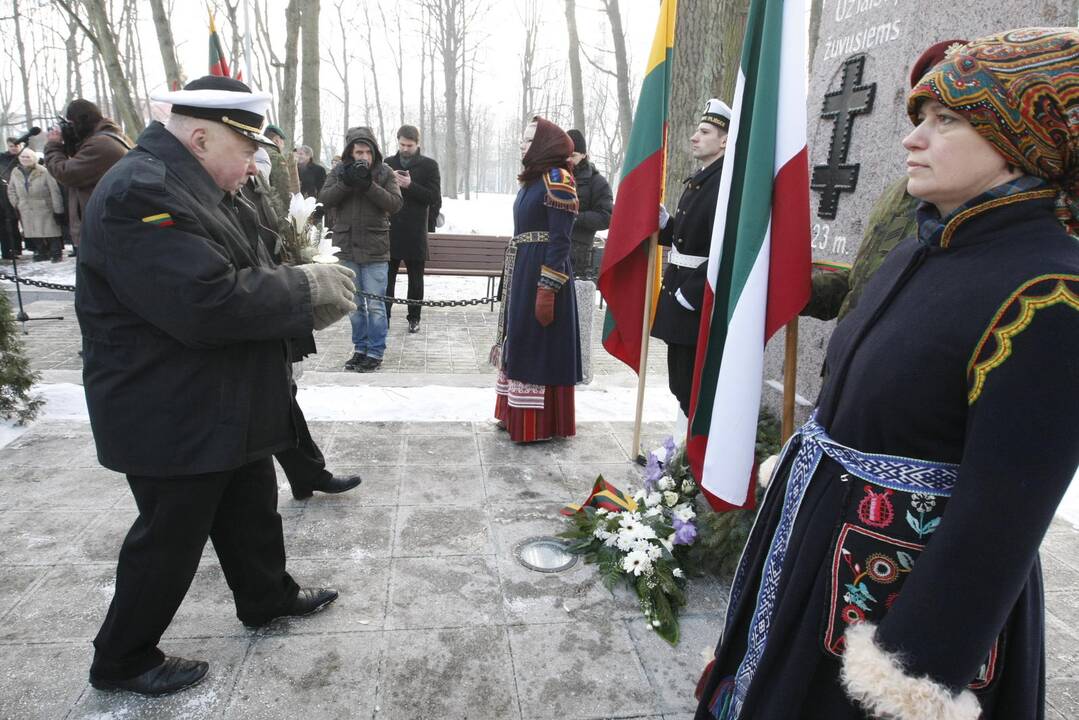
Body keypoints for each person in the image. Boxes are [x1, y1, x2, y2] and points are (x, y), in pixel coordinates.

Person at [694, 29, 1079, 720]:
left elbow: (1001, 519)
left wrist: (910, 671)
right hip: (818, 554)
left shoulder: (1050, 290)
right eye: (916, 119)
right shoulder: (921, 248)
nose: (912, 138)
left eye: (945, 120)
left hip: (896, 598)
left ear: (1022, 140)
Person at [78, 76, 359, 697]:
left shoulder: (190, 182)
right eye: (247, 149)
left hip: (216, 395)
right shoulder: (139, 191)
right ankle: (121, 657)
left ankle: (265, 597)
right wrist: (304, 290)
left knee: (250, 500)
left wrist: (286, 277)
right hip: (167, 406)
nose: (255, 164)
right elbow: (202, 302)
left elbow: (237, 266)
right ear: (200, 138)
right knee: (170, 536)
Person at [802, 39, 966, 324]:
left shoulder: (981, 212)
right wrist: (795, 292)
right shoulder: (899, 192)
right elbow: (862, 283)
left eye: (946, 118)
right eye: (922, 116)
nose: (912, 139)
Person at [240, 164, 364, 500]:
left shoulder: (253, 188)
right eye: (247, 151)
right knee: (280, 398)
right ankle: (308, 473)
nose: (251, 163)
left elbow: (273, 240)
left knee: (283, 395)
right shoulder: (221, 191)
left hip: (272, 303)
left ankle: (307, 473)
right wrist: (299, 284)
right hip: (258, 310)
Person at [491, 116, 581, 443]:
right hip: (523, 270)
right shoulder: (532, 180)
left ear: (544, 145)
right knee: (521, 339)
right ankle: (512, 413)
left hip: (542, 273)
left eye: (529, 139)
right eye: (523, 138)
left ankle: (537, 425)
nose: (522, 143)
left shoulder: (558, 178)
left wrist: (548, 287)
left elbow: (561, 239)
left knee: (537, 343)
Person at [650, 99, 731, 418]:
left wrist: (691, 293)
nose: (695, 137)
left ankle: (695, 452)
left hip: (696, 298)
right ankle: (688, 447)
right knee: (681, 383)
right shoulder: (702, 179)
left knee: (691, 386)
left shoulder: (724, 182)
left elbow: (727, 247)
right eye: (697, 130)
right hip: (680, 291)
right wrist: (664, 224)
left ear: (724, 140)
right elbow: (686, 240)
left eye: (705, 131)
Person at [319, 126, 403, 372]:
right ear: (350, 153)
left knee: (376, 305)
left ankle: (375, 352)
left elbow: (395, 203)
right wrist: (345, 183)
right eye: (359, 152)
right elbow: (323, 200)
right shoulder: (338, 172)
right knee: (354, 305)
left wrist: (369, 186)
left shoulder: (385, 172)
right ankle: (360, 348)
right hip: (346, 248)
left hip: (375, 249)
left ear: (374, 152)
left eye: (367, 151)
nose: (363, 156)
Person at [43, 99, 131, 256]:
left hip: (104, 229)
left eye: (71, 124)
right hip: (106, 225)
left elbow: (65, 172)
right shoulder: (106, 138)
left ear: (79, 121)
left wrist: (53, 145)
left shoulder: (102, 144)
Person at [385, 124, 442, 333]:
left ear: (417, 144)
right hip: (391, 229)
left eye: (409, 145)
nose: (405, 149)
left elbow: (434, 197)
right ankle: (385, 317)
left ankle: (414, 318)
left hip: (415, 230)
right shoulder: (388, 163)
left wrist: (410, 185)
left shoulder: (429, 166)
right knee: (387, 278)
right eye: (401, 144)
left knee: (415, 279)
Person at [565, 129, 612, 278]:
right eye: (565, 155)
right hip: (552, 247)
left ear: (584, 155)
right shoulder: (555, 176)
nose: (568, 160)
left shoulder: (597, 182)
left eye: (573, 156)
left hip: (579, 254)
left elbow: (606, 217)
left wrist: (575, 217)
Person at [5, 148, 64, 262]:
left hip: (44, 205)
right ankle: (41, 251)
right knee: (32, 231)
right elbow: (11, 189)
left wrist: (58, 208)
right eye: (23, 157)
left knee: (51, 230)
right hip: (25, 206)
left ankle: (56, 252)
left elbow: (54, 190)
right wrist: (16, 203)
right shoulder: (15, 172)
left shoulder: (44, 171)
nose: (25, 159)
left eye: (28, 157)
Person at [0, 137, 24, 259]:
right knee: (7, 224)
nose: (14, 148)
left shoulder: (25, 156)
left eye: (16, 146)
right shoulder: (2, 159)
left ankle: (18, 248)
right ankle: (9, 250)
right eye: (11, 146)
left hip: (23, 194)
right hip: (4, 195)